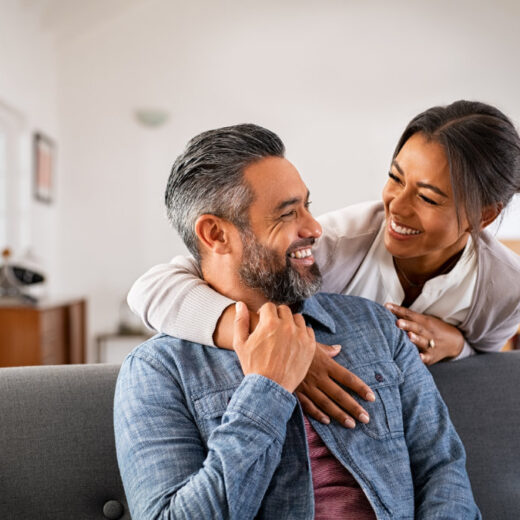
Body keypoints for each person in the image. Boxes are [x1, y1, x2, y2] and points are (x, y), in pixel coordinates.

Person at [114, 123, 480, 519]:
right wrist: (266, 389)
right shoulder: (157, 371)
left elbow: (442, 469)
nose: (314, 228)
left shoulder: (376, 326)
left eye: (307, 205)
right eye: (288, 213)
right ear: (216, 234)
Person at [127, 100, 520, 427]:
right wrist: (281, 346)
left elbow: (481, 370)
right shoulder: (332, 244)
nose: (396, 207)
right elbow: (151, 289)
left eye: (429, 198)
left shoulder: (505, 289)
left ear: (483, 216)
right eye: (395, 178)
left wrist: (457, 345)